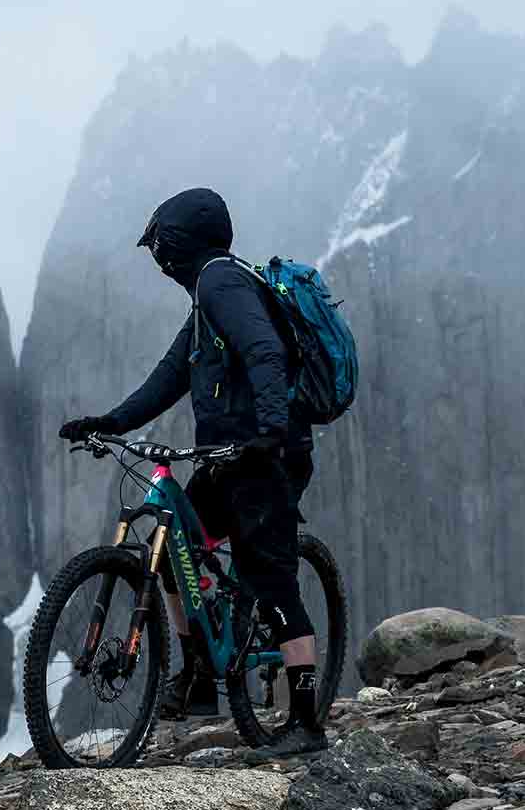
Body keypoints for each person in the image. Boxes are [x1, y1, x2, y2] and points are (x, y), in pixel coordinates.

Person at [56, 186, 328, 757]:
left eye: (159, 246)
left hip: (264, 456)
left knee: (273, 579)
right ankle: (200, 677)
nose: (158, 260)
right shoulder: (208, 299)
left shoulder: (221, 282)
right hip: (227, 456)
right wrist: (107, 421)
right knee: (175, 549)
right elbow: (168, 376)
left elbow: (265, 353)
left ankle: (305, 722)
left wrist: (271, 432)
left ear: (178, 243)